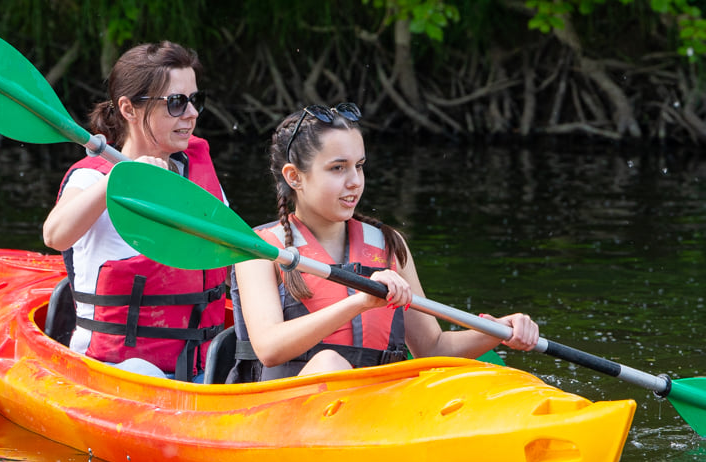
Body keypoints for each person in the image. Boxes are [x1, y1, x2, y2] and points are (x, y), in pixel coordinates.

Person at [228, 103, 539, 382]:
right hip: (286, 409)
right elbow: (270, 348)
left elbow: (432, 348)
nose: (355, 181)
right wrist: (360, 301)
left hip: (377, 406)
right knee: (329, 363)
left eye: (359, 166)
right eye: (338, 168)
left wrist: (500, 330)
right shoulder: (260, 250)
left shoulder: (389, 246)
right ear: (294, 177)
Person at [43, 41, 227, 382]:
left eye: (195, 100)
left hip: (202, 367)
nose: (192, 114)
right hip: (117, 368)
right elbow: (55, 235)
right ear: (128, 108)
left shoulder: (199, 175)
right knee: (142, 372)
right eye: (176, 102)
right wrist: (120, 178)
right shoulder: (92, 176)